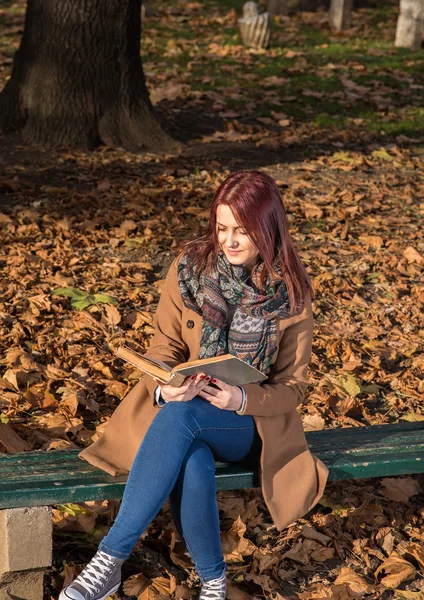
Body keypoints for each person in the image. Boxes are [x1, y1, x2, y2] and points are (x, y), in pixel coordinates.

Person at [59, 170, 329, 600]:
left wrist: (241, 397)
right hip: (184, 407)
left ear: (268, 228)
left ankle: (108, 560)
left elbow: (294, 387)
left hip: (249, 426)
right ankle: (213, 581)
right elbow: (163, 346)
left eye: (243, 230)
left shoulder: (290, 293)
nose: (230, 241)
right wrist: (168, 387)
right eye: (222, 228)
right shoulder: (189, 269)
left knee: (183, 419)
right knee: (192, 456)